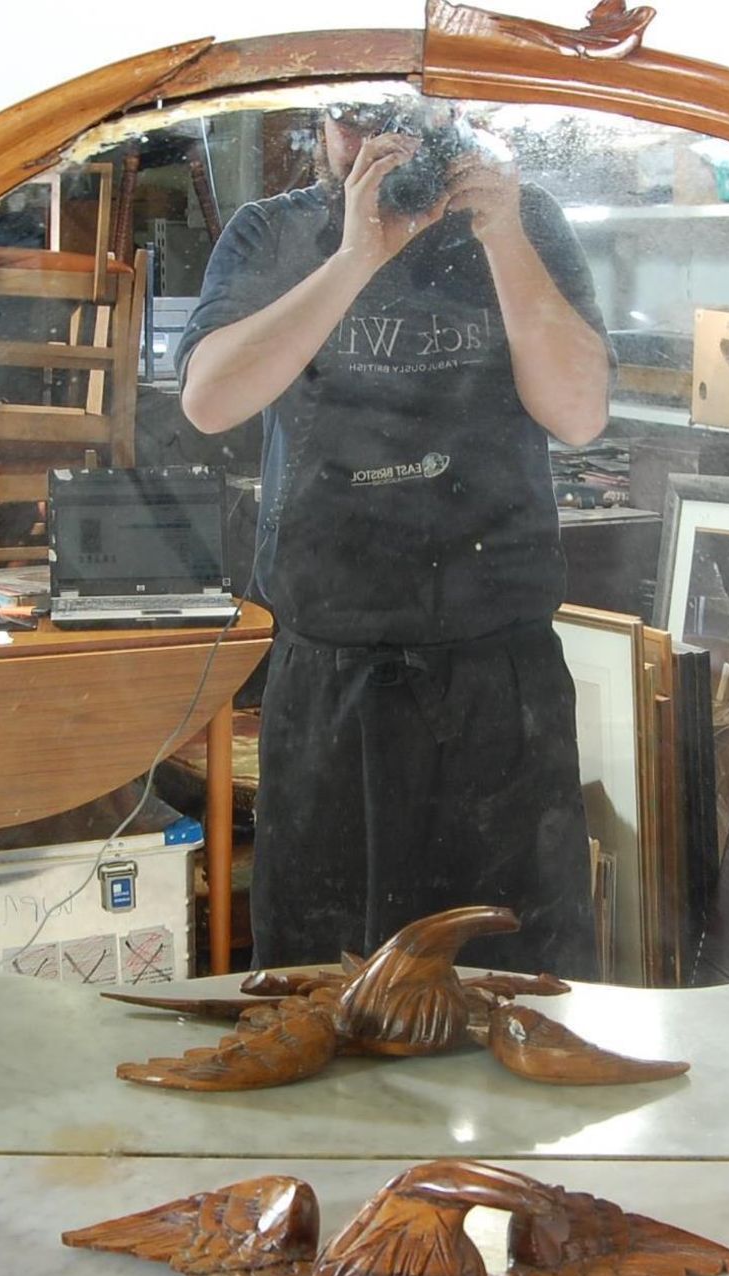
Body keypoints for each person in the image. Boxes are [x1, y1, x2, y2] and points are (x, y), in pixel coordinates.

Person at [175, 97, 613, 980]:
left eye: (412, 119)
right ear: (319, 125)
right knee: (327, 985)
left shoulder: (523, 225)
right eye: (358, 119)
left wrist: (505, 235)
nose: (385, 143)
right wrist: (354, 256)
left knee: (517, 978)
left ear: (456, 121)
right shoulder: (276, 232)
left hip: (501, 673)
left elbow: (578, 412)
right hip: (333, 669)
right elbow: (210, 400)